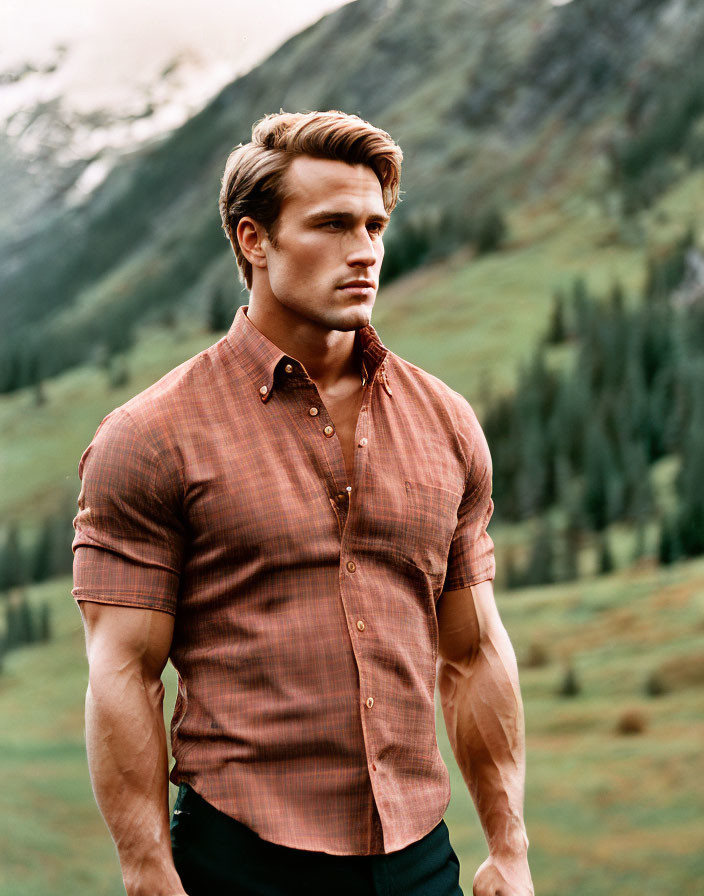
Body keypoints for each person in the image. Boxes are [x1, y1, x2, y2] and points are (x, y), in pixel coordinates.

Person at [72, 110, 533, 896]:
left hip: (421, 860)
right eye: (331, 224)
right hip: (242, 862)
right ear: (255, 240)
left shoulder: (446, 423)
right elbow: (124, 669)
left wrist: (510, 848)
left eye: (374, 225)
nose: (365, 250)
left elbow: (475, 651)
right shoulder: (150, 437)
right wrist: (149, 873)